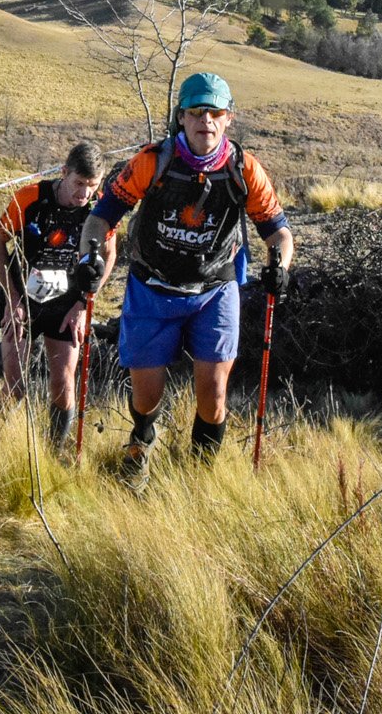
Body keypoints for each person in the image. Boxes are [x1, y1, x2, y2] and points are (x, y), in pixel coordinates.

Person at [78, 71, 293, 481]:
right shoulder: (151, 162)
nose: (205, 120)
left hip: (214, 289)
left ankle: (199, 477)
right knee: (146, 398)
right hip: (152, 287)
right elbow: (101, 217)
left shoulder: (244, 170)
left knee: (213, 396)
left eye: (215, 112)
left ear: (229, 117)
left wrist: (279, 267)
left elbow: (279, 233)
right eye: (196, 112)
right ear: (181, 116)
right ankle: (143, 437)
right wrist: (90, 257)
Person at [0, 142, 118, 448]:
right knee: (15, 385)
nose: (84, 193)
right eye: (79, 183)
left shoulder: (100, 208)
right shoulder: (30, 198)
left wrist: (83, 304)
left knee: (63, 385)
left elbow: (109, 254)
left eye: (92, 185)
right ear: (64, 173)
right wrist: (12, 298)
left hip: (67, 303)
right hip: (24, 299)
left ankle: (53, 451)